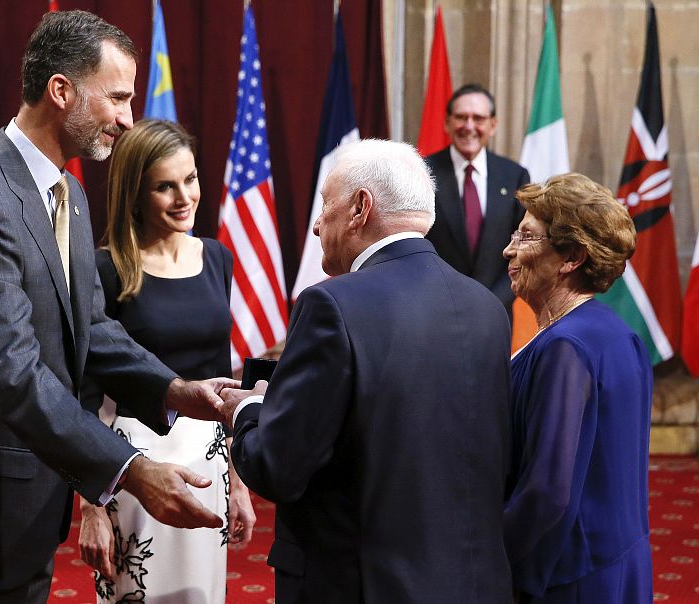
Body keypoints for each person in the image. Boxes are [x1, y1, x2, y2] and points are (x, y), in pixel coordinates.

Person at [0, 11, 233, 603]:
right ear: (61, 91)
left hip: (27, 508)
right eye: (117, 98)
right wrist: (128, 468)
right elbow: (12, 372)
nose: (129, 119)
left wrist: (170, 389)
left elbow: (93, 328)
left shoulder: (69, 193)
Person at [218, 139, 514, 603]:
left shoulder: (332, 305)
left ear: (360, 207)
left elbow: (278, 468)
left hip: (358, 585)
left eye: (324, 205)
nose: (317, 225)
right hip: (471, 584)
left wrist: (249, 410)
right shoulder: (488, 308)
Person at [77, 119, 256, 603]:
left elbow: (225, 387)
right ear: (135, 193)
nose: (184, 197)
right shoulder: (106, 268)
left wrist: (238, 483)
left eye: (190, 179)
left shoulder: (218, 258)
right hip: (133, 462)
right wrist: (92, 505)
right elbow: (86, 393)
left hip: (209, 462)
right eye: (165, 186)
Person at [501, 173, 652, 602]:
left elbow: (546, 492)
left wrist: (487, 560)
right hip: (617, 563)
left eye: (527, 237)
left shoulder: (565, 347)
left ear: (571, 257)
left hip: (571, 578)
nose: (508, 249)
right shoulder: (615, 331)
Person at [424, 83, 530, 319]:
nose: (469, 126)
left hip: (495, 312)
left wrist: (493, 301)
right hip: (436, 312)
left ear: (492, 125)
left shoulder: (514, 175)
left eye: (478, 118)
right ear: (447, 123)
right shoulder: (423, 172)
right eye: (461, 117)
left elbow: (523, 247)